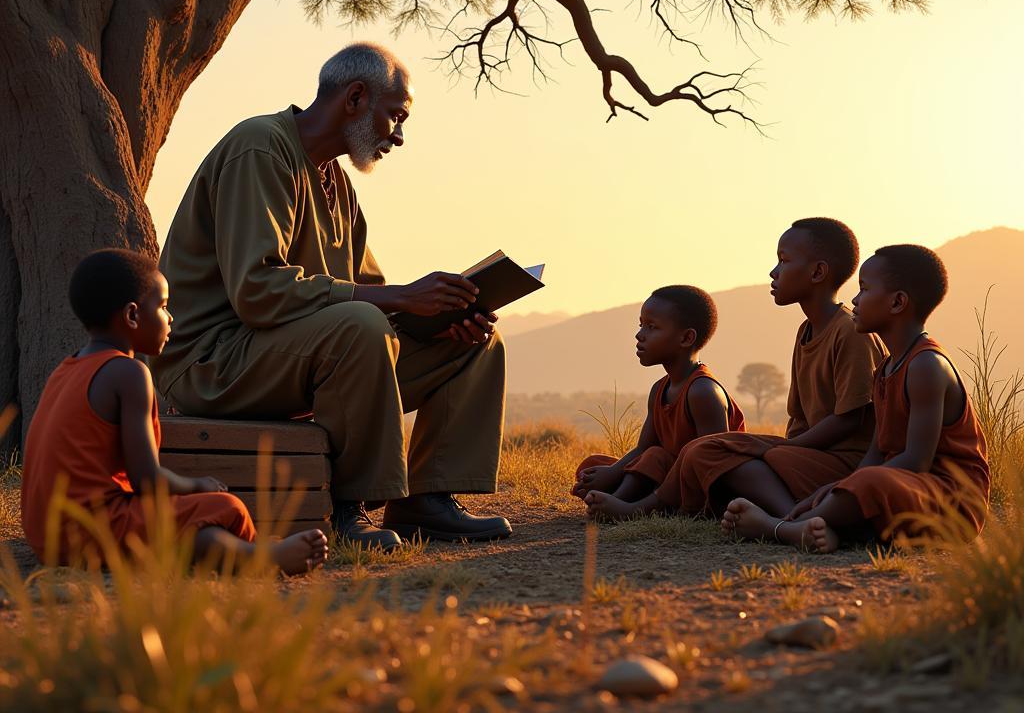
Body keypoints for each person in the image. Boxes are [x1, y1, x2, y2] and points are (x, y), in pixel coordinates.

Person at [151, 43, 510, 550]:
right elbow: (257, 292)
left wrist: (441, 316)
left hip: (294, 355)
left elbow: (376, 295)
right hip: (214, 363)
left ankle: (426, 502)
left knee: (476, 342)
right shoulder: (260, 147)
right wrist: (404, 299)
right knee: (360, 328)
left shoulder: (338, 187)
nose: (400, 137)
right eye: (396, 117)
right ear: (356, 98)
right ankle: (347, 508)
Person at [20, 249, 328, 575]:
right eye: (164, 307)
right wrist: (199, 484)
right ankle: (262, 559)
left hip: (46, 538)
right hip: (92, 531)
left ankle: (250, 551)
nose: (170, 319)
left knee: (194, 522)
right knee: (225, 506)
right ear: (133, 316)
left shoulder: (66, 369)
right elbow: (146, 480)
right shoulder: (128, 374)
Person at [723, 245, 990, 552]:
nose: (855, 300)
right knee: (859, 480)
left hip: (949, 504)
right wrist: (828, 489)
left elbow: (917, 461)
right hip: (902, 493)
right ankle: (831, 532)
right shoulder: (886, 370)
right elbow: (877, 452)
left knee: (868, 482)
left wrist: (843, 485)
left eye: (863, 289)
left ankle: (778, 528)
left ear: (897, 302)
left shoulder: (927, 365)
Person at [674, 218, 885, 518]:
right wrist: (779, 449)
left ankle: (790, 518)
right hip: (806, 457)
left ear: (817, 272)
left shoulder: (849, 331)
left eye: (783, 261)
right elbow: (799, 417)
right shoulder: (806, 331)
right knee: (703, 449)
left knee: (714, 453)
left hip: (845, 464)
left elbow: (848, 421)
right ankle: (776, 504)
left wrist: (775, 450)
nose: (774, 272)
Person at [571, 286, 745, 522]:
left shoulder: (703, 391)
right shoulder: (659, 389)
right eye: (641, 325)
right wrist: (612, 472)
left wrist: (621, 480)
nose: (639, 335)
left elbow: (714, 465)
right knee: (593, 466)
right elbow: (642, 448)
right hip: (663, 474)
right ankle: (624, 500)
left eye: (652, 327)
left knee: (655, 457)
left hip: (701, 486)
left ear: (686, 338)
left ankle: (629, 508)